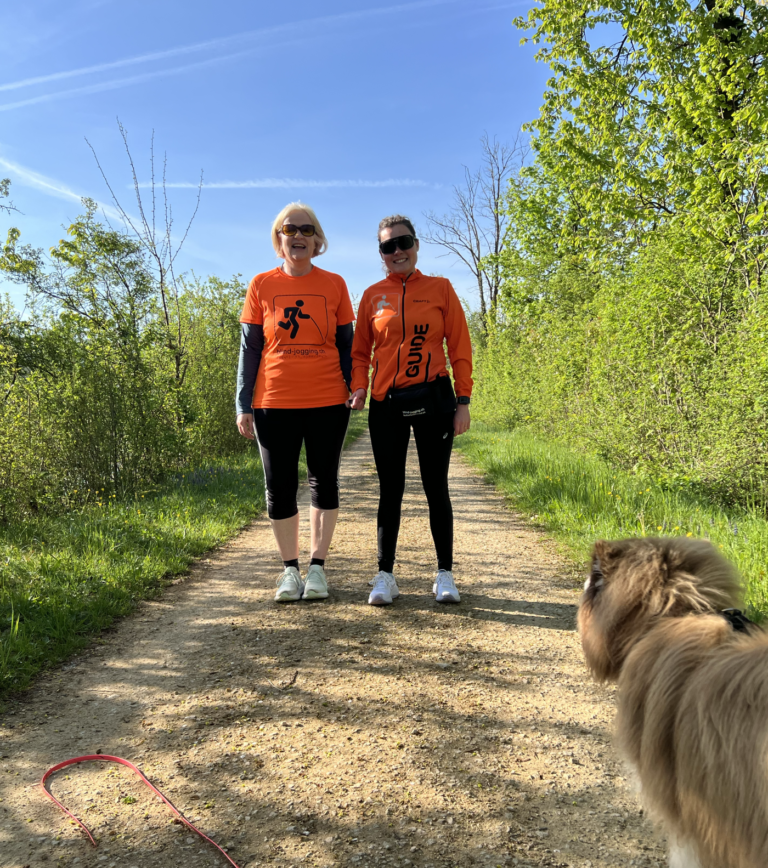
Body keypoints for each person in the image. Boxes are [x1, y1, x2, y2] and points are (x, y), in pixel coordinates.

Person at [349, 215, 473, 606]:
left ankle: (444, 574)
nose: (398, 251)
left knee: (436, 486)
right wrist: (359, 387)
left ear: (416, 245)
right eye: (389, 246)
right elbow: (359, 351)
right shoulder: (372, 295)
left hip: (435, 400)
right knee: (391, 489)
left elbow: (460, 345)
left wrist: (464, 401)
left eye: (404, 242)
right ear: (381, 253)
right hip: (386, 405)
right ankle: (385, 575)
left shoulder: (441, 288)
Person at [236, 202, 354, 602]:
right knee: (279, 487)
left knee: (324, 482)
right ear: (279, 238)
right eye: (290, 229)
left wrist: (356, 385)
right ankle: (290, 570)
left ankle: (317, 568)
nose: (298, 236)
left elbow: (347, 345)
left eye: (306, 230)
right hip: (273, 401)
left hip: (328, 400)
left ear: (317, 240)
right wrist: (243, 404)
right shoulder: (261, 285)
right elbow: (250, 350)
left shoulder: (335, 284)